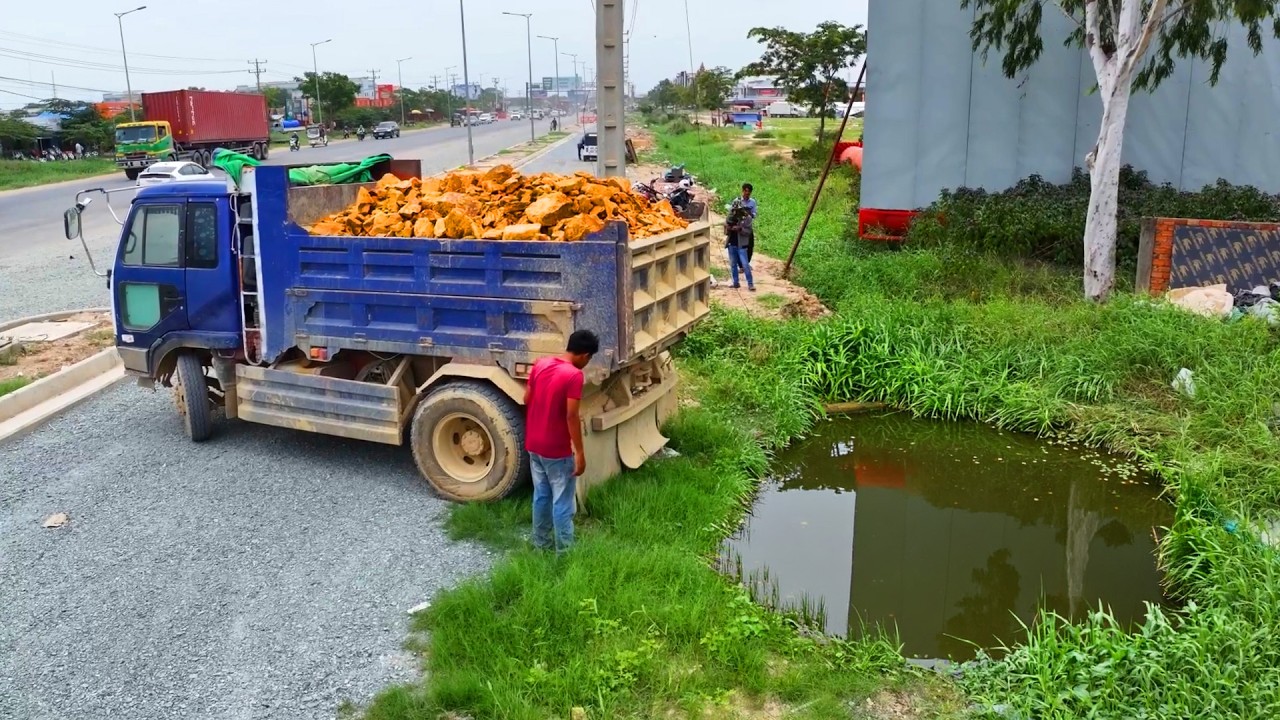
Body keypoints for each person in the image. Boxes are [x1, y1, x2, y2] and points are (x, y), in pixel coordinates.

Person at [525, 329, 599, 553]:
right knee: (563, 502)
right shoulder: (574, 375)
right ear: (585, 355)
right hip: (556, 450)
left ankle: (541, 545)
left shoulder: (540, 364)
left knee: (541, 496)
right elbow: (571, 416)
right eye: (589, 359)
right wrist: (580, 453)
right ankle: (565, 553)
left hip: (533, 444)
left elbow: (526, 399)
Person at [726, 183, 757, 290]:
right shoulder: (730, 217)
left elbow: (748, 231)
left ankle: (750, 284)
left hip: (741, 243)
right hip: (732, 242)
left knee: (745, 264)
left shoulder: (747, 218)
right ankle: (735, 282)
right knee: (733, 264)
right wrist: (729, 227)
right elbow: (726, 226)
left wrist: (740, 228)